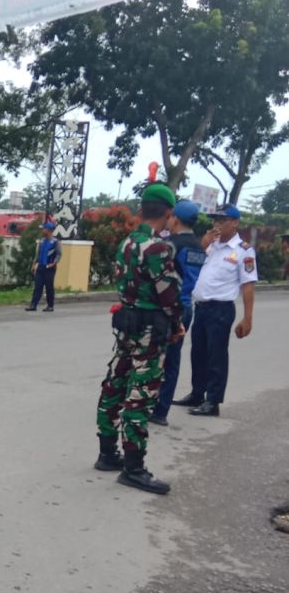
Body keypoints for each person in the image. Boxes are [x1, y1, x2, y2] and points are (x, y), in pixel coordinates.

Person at [94, 182, 183, 495]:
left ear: (142, 209)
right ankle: (133, 468)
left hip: (127, 325)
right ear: (169, 213)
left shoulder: (127, 243)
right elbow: (169, 295)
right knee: (140, 395)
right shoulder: (157, 248)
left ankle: (107, 453)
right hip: (149, 331)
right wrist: (178, 324)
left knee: (114, 385)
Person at [172, 204, 257, 417]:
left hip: (220, 309)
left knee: (216, 356)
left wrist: (248, 318)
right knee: (197, 353)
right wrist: (203, 244)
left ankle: (213, 401)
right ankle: (197, 393)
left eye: (222, 220)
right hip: (201, 307)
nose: (216, 224)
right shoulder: (211, 245)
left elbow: (248, 286)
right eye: (214, 220)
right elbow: (194, 267)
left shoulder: (243, 251)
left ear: (235, 222)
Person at [149, 199, 206, 426]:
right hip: (187, 307)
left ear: (175, 218)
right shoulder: (199, 247)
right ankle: (161, 410)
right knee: (173, 359)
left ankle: (147, 404)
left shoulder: (171, 245)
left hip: (167, 308)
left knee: (154, 358)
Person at [25, 220, 62, 312]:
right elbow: (38, 254)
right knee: (37, 286)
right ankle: (33, 305)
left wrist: (54, 262)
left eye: (44, 229)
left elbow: (59, 254)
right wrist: (34, 264)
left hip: (50, 267)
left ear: (49, 230)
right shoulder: (42, 241)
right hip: (41, 266)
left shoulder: (55, 242)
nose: (42, 231)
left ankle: (50, 305)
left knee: (49, 287)